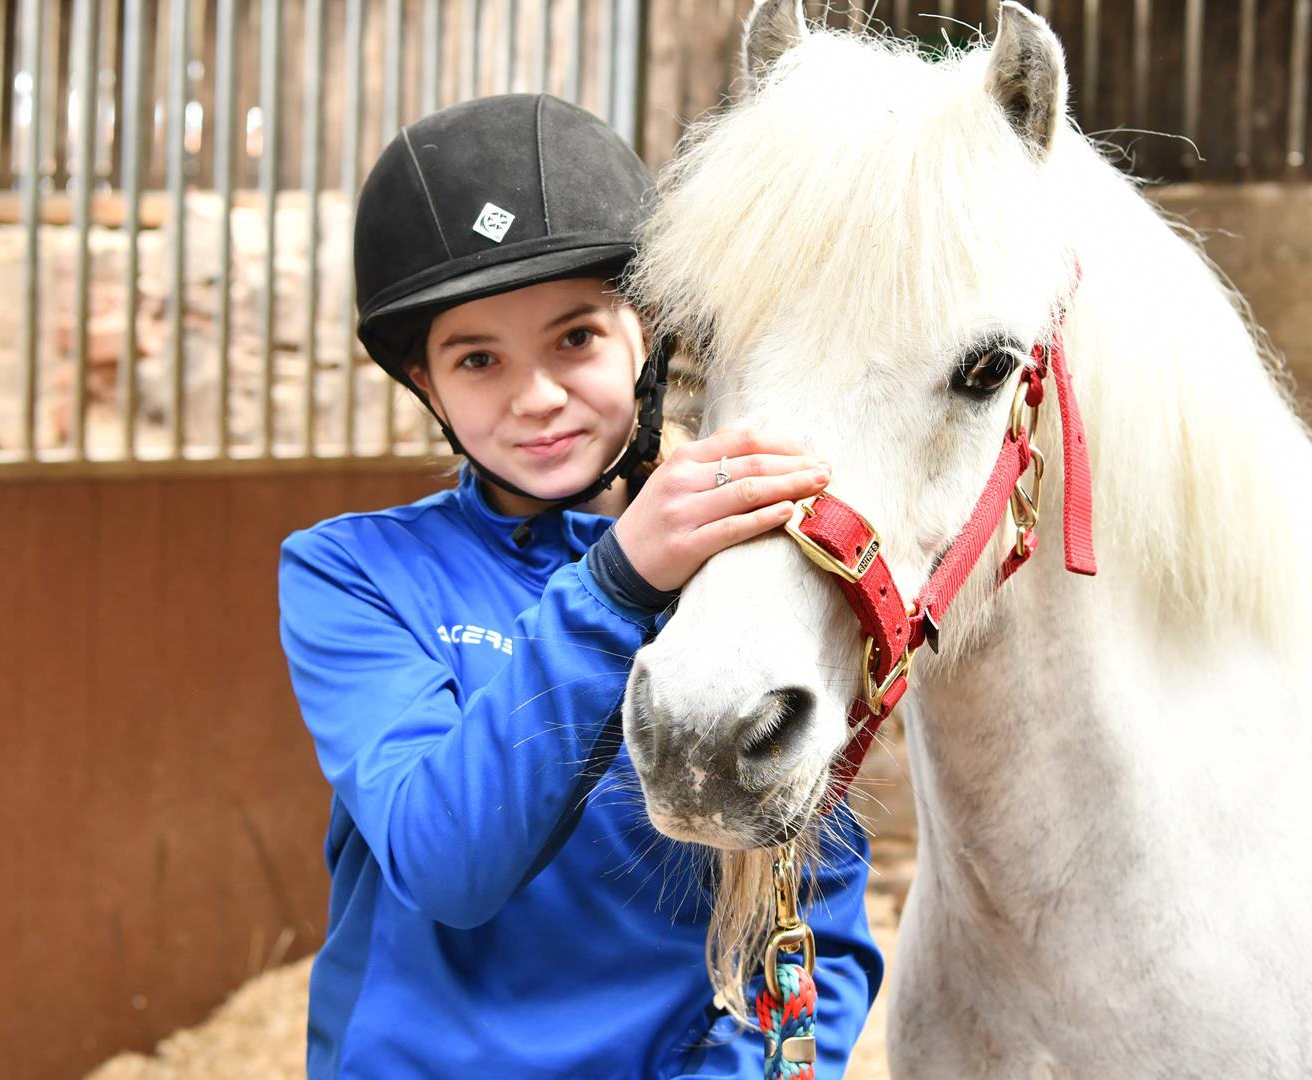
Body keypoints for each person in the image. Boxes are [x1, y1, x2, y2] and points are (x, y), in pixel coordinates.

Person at [277, 94, 882, 1079]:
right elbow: (448, 864)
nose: (538, 397)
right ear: (427, 386)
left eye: (575, 339)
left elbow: (816, 929)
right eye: (478, 359)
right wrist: (617, 584)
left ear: (647, 335)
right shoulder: (350, 575)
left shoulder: (752, 574)